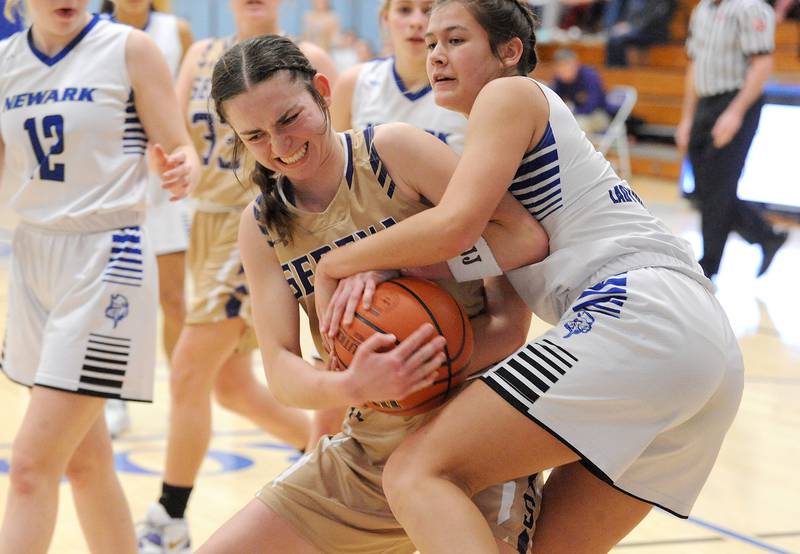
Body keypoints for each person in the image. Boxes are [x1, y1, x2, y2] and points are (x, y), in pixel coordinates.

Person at [314, 1, 745, 552]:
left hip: (638, 311)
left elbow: (455, 224)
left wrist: (342, 260)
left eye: (454, 40)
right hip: (705, 347)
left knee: (417, 473)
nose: (436, 54)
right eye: (431, 45)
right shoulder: (503, 148)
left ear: (509, 51)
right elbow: (516, 244)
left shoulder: (508, 93)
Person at [198, 34, 549, 554]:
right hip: (367, 450)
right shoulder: (261, 227)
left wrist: (397, 267)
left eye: (290, 118)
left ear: (321, 91)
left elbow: (517, 272)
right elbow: (282, 371)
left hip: (473, 441)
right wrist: (355, 385)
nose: (280, 145)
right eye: (255, 136)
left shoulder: (395, 151)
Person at [136, 2, 338, 552]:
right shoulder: (201, 55)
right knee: (231, 388)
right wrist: (181, 166)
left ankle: (169, 515)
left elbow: (333, 150)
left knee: (186, 370)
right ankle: (325, 451)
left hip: (260, 221)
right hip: (204, 222)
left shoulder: (307, 58)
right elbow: (185, 142)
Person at [0, 1, 200, 552]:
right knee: (86, 463)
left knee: (30, 467)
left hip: (108, 258)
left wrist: (183, 165)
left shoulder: (129, 49)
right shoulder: (5, 62)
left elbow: (181, 145)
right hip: (33, 258)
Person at [98, 0, 194, 439]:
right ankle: (113, 397)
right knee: (114, 302)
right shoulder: (93, 31)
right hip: (115, 178)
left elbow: (189, 107)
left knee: (174, 300)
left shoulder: (177, 30)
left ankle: (182, 396)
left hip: (166, 180)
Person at [675, 0, 788, 280]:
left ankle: (708, 267)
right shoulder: (702, 9)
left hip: (737, 101)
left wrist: (735, 112)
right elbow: (695, 64)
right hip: (705, 101)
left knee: (719, 189)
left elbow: (762, 64)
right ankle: (766, 235)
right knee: (703, 191)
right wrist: (687, 116)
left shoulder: (751, 8)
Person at [332, 0, 468, 152]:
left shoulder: (470, 90)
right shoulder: (352, 83)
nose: (416, 22)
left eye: (428, 10)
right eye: (404, 10)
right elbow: (336, 170)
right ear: (385, 19)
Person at [551, 48, 611, 134]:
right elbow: (553, 102)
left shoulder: (590, 76)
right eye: (560, 66)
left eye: (567, 65)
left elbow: (592, 105)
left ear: (576, 64)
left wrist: (572, 113)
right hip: (574, 115)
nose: (563, 70)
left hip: (598, 114)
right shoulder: (558, 80)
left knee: (576, 125)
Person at [604, 0, 676, 66]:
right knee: (613, 39)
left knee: (617, 41)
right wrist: (612, 27)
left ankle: (621, 75)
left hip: (652, 30)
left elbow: (657, 15)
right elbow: (614, 12)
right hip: (628, 30)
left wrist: (631, 26)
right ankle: (616, 74)